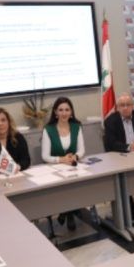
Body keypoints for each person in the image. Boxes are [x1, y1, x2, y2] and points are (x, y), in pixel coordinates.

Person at [42, 97, 86, 230]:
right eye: (60, 110)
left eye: (67, 110)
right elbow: (45, 156)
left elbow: (81, 150)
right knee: (65, 187)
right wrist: (61, 159)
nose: (64, 113)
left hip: (73, 168)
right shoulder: (48, 129)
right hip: (55, 170)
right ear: (55, 112)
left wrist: (75, 157)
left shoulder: (76, 126)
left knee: (76, 184)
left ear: (71, 112)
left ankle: (67, 212)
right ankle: (69, 211)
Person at [0, 107, 31, 176]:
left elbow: (26, 160)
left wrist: (18, 166)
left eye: (3, 120)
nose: (0, 124)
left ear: (8, 122)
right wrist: (9, 169)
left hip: (16, 175)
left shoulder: (18, 137)